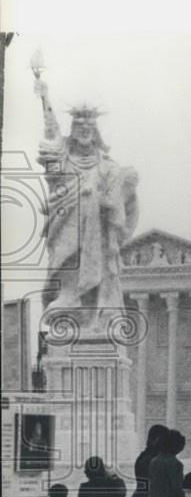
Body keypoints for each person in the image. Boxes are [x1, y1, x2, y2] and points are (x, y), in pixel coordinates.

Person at [34, 72, 138, 325]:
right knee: (66, 254)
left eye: (89, 127)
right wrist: (45, 98)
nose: (84, 130)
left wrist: (110, 200)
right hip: (65, 219)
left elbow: (126, 191)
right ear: (73, 129)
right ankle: (69, 294)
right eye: (79, 126)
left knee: (127, 175)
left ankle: (94, 304)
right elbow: (51, 133)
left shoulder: (106, 165)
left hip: (97, 228)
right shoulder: (62, 159)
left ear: (95, 131)